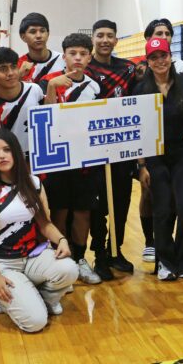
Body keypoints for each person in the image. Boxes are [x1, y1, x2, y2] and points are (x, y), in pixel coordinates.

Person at [0, 129, 79, 332]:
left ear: (16, 153)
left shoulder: (33, 183)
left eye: (6, 150)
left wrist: (62, 239)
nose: (1, 155)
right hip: (2, 264)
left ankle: (39, 298)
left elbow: (44, 223)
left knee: (70, 269)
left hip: (32, 257)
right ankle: (1, 297)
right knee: (35, 323)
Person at [40, 33, 103, 285]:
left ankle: (79, 258)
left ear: (89, 57)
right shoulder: (47, 81)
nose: (77, 58)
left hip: (85, 160)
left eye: (83, 54)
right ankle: (60, 259)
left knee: (82, 212)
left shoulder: (94, 86)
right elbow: (43, 118)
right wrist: (52, 88)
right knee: (59, 211)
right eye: (72, 53)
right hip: (58, 159)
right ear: (63, 55)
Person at [134, 37, 183, 281]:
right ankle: (165, 261)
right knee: (162, 210)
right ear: (148, 62)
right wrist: (141, 166)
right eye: (153, 57)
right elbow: (138, 131)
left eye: (163, 55)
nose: (159, 61)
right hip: (154, 155)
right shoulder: (141, 89)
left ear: (170, 57)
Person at [86, 20, 138, 280]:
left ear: (117, 40)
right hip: (93, 149)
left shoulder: (128, 68)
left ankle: (115, 250)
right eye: (100, 35)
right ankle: (100, 256)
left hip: (122, 147)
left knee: (121, 200)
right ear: (93, 38)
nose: (105, 40)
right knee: (98, 205)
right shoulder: (84, 67)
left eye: (110, 36)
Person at [17, 12, 65, 83]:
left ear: (48, 34)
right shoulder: (17, 65)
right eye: (33, 32)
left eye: (42, 31)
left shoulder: (64, 60)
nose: (39, 36)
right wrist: (18, 77)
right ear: (23, 37)